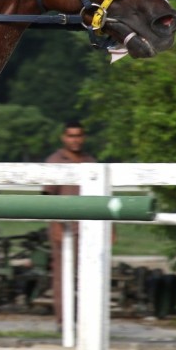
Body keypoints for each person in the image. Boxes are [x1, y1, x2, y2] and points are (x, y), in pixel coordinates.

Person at [43, 120, 97, 326]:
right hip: (65, 228)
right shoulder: (55, 161)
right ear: (63, 138)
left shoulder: (90, 161)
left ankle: (87, 319)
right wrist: (55, 224)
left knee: (89, 273)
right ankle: (63, 320)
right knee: (63, 274)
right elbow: (48, 196)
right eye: (71, 136)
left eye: (79, 136)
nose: (75, 140)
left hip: (89, 227)